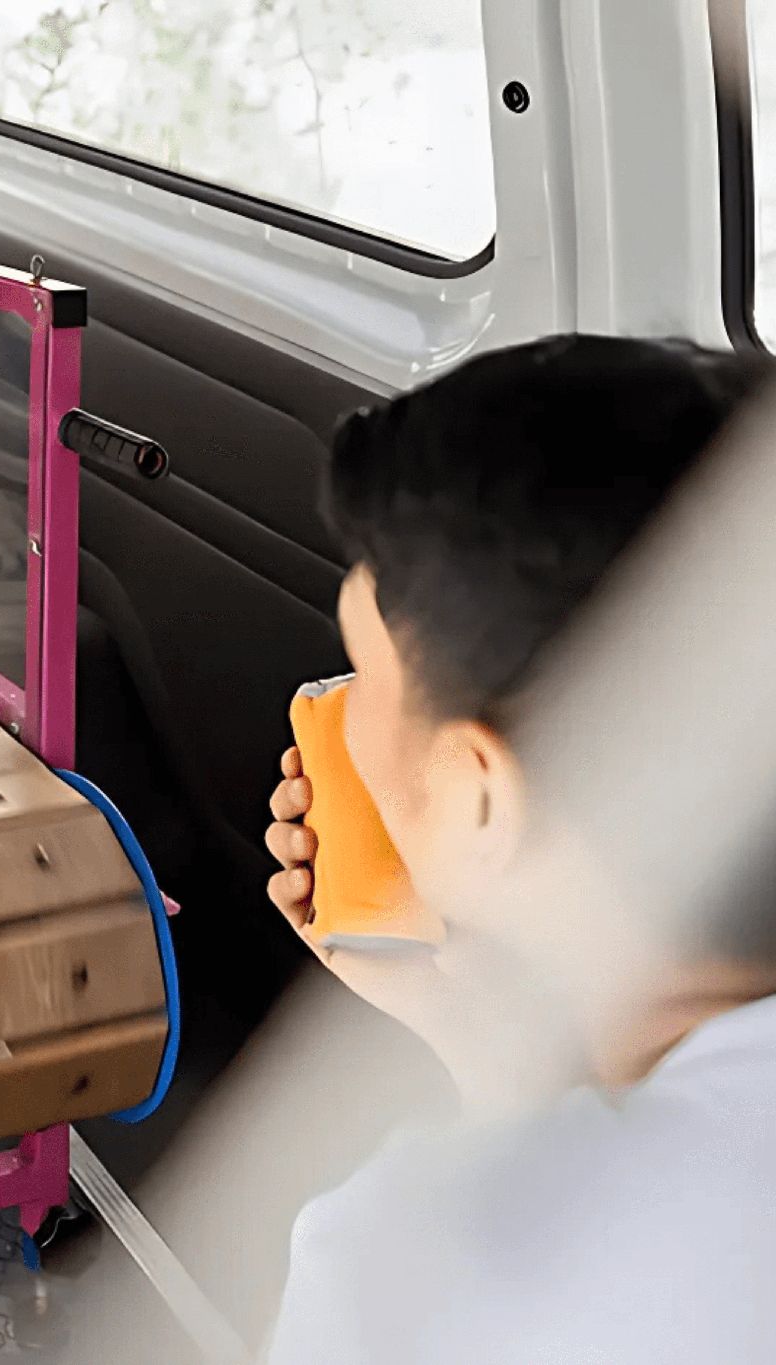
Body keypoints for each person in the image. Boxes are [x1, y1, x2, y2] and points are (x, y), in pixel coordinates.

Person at [260, 334, 776, 1363]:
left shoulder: (411, 1266)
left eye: (362, 674)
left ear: (479, 795)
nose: (336, 713)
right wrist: (493, 1045)